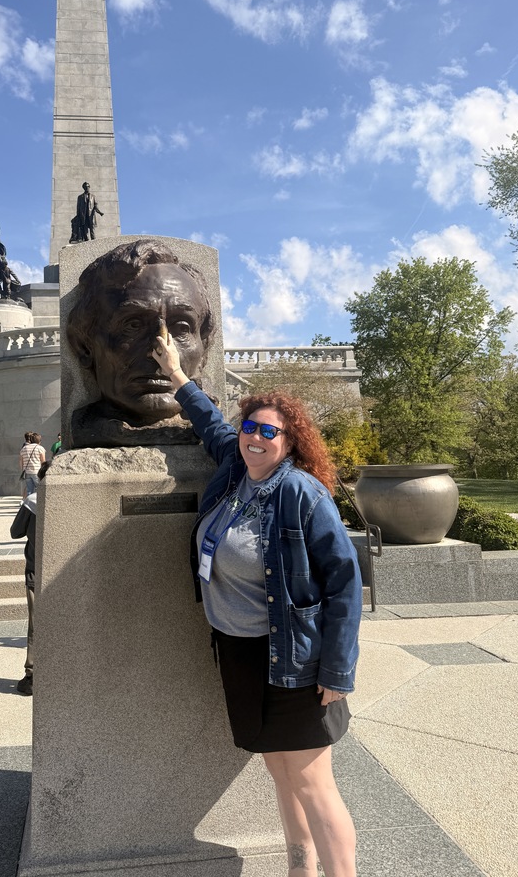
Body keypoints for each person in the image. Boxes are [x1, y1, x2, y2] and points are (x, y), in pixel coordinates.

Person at [151, 331, 362, 877]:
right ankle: (301, 868)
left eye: (271, 432)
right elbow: (211, 423)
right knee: (279, 771)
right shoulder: (233, 471)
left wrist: (337, 671)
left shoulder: (302, 493)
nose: (255, 438)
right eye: (251, 427)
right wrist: (177, 375)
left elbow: (343, 582)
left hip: (295, 658)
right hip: (242, 654)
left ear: (290, 443)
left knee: (314, 783)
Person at [66, 238, 215, 446]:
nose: (162, 351)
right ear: (83, 344)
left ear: (204, 345)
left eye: (181, 327)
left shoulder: (221, 439)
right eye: (133, 326)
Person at [15, 459, 50, 696]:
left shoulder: (33, 502)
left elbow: (15, 531)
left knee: (37, 625)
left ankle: (33, 674)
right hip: (66, 572)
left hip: (37, 570)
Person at [19, 432, 46, 498]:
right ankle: (39, 505)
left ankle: (30, 505)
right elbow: (43, 461)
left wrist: (23, 469)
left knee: (29, 491)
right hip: (37, 471)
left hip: (27, 472)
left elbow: (20, 461)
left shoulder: (24, 448)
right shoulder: (40, 448)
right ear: (39, 440)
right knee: (40, 489)